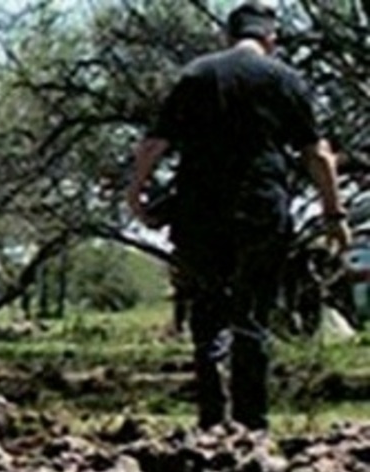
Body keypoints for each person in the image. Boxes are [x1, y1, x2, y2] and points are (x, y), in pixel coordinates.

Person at [128, 2, 347, 430]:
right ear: (271, 39)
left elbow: (155, 143)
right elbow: (316, 153)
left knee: (208, 312)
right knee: (252, 316)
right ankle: (252, 427)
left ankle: (212, 422)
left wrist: (136, 191)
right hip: (261, 211)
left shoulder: (196, 74)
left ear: (229, 37)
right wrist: (333, 212)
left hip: (199, 212)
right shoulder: (285, 79)